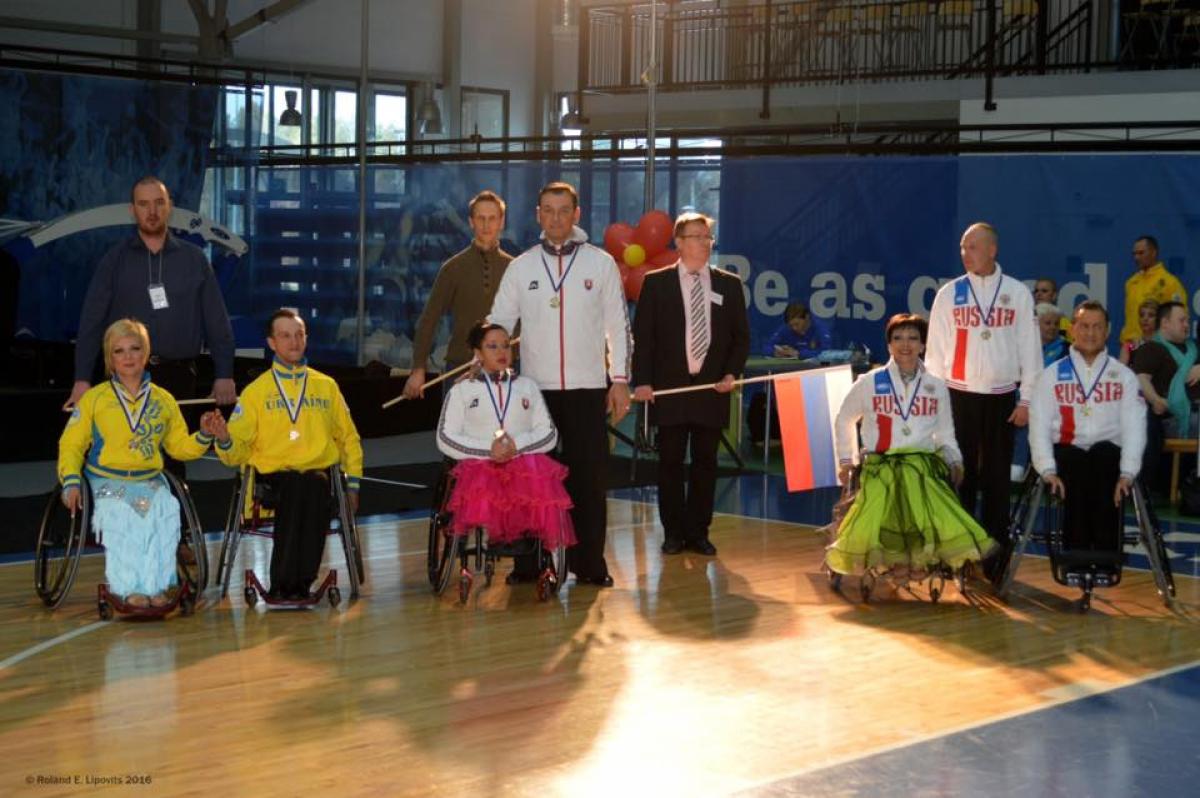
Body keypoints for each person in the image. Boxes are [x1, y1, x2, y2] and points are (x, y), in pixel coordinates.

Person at [489, 181, 632, 588]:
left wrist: (619, 379)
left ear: (577, 215)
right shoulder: (522, 266)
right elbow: (498, 322)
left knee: (589, 479)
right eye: (547, 210)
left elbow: (618, 328)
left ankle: (589, 565)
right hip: (534, 393)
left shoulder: (600, 264)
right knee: (532, 478)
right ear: (538, 215)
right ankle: (530, 563)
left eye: (563, 210)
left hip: (588, 390)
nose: (555, 217)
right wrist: (488, 365)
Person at [202, 309, 363, 601]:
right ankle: (286, 583)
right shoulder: (255, 392)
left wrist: (353, 485)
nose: (294, 341)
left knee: (312, 484)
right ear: (271, 343)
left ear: (306, 339)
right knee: (297, 485)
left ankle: (297, 584)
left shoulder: (326, 386)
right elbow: (235, 454)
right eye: (285, 335)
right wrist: (225, 438)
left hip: (317, 477)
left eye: (299, 334)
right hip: (272, 481)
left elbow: (350, 439)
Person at [58, 319, 215, 608]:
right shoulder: (95, 399)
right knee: (127, 511)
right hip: (106, 482)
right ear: (110, 358)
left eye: (135, 349)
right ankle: (129, 587)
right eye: (119, 351)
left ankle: (156, 586)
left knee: (165, 509)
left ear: (146, 354)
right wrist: (69, 480)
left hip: (149, 479)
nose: (128, 356)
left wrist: (204, 435)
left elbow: (179, 447)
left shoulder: (164, 400)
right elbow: (71, 444)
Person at [826, 314, 996, 577]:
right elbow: (844, 419)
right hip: (880, 463)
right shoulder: (869, 381)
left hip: (922, 464)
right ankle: (900, 560)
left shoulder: (935, 386)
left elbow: (945, 432)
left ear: (923, 345)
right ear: (889, 345)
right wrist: (847, 460)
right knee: (892, 483)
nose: (905, 344)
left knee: (919, 481)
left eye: (913, 338)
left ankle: (916, 560)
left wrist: (954, 460)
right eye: (898, 338)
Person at [925, 222, 1040, 576]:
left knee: (996, 480)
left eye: (972, 247)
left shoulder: (1018, 293)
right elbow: (935, 354)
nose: (965, 253)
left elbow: (1030, 351)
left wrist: (1027, 401)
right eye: (962, 247)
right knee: (958, 477)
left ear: (993, 250)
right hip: (957, 397)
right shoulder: (949, 294)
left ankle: (995, 557)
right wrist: (934, 402)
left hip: (1001, 399)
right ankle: (955, 553)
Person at [632, 212, 750, 556]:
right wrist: (643, 382)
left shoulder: (728, 284)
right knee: (669, 463)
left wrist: (731, 373)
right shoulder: (656, 283)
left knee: (705, 463)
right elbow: (645, 338)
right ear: (679, 242)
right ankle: (673, 532)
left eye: (707, 237)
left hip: (711, 391)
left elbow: (740, 338)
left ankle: (699, 531)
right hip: (669, 391)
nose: (704, 243)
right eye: (696, 236)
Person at [66, 176, 236, 411]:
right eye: (143, 204)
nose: (152, 211)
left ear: (170, 206)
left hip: (180, 379)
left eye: (159, 202)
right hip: (125, 380)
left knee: (176, 447)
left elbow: (217, 321)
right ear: (132, 209)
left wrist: (224, 374)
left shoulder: (195, 259)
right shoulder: (114, 260)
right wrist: (82, 380)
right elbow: (91, 323)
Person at [435, 322, 575, 558]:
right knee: (481, 478)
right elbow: (445, 437)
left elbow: (549, 434)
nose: (501, 352)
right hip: (478, 465)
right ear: (477, 354)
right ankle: (495, 534)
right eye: (492, 347)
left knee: (535, 474)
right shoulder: (462, 390)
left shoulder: (527, 387)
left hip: (522, 464)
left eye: (505, 346)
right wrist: (487, 451)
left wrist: (516, 447)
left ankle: (524, 543)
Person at [1030, 301, 1146, 568]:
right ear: (1072, 330)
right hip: (1067, 451)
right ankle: (1075, 552)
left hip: (1109, 454)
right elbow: (1038, 426)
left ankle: (1106, 554)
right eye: (1084, 326)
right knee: (1076, 465)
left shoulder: (1123, 376)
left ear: (1107, 332)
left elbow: (1135, 427)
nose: (1090, 333)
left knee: (1105, 458)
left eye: (1097, 327)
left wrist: (1128, 473)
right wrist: (1046, 469)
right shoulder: (1051, 375)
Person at [403, 190, 513, 399]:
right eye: (481, 218)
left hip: (504, 371)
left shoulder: (515, 268)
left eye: (492, 218)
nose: (486, 225)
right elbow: (429, 320)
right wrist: (418, 369)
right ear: (471, 222)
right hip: (460, 367)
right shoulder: (452, 268)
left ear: (501, 221)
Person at [1130, 301, 1200, 490]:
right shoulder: (1151, 349)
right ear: (1165, 323)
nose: (1187, 324)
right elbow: (1141, 379)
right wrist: (1155, 400)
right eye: (1182, 320)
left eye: (1187, 320)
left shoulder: (1194, 350)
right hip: (1175, 418)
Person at [1120, 235, 1186, 345]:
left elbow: (1179, 320)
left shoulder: (1170, 283)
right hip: (1131, 346)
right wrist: (1126, 345)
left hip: (1157, 346)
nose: (1136, 257)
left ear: (1154, 253)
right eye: (1134, 254)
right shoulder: (1131, 283)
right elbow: (1129, 321)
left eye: (1141, 253)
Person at [764, 300, 834, 358]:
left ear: (807, 317)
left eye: (797, 324)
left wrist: (798, 354)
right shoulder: (786, 329)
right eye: (791, 325)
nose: (794, 328)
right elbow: (767, 347)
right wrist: (775, 352)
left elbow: (826, 353)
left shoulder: (820, 329)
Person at [1119, 299, 1159, 365]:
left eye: (1151, 315)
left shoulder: (1164, 345)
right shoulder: (1131, 346)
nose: (1145, 319)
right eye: (1142, 315)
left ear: (1159, 319)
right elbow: (1120, 370)